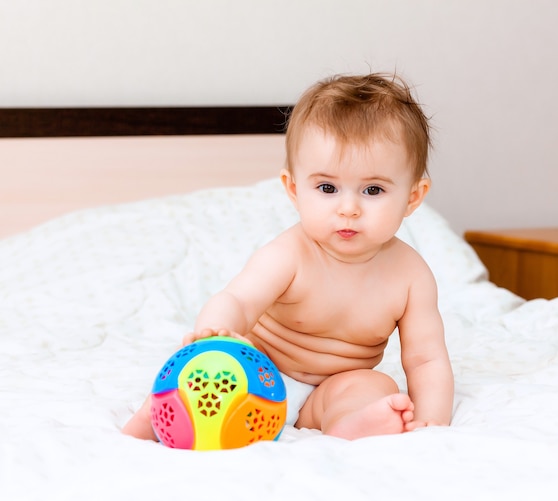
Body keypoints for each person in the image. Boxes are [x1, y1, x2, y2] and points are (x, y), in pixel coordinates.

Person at [122, 72, 454, 441]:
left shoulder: (411, 276)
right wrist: (215, 333)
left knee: (374, 384)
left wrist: (432, 422)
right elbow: (238, 300)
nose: (348, 208)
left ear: (413, 197)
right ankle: (157, 415)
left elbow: (426, 359)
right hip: (258, 375)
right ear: (294, 189)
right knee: (208, 371)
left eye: (372, 189)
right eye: (327, 187)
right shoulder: (289, 253)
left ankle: (348, 424)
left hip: (332, 388)